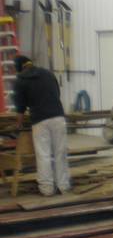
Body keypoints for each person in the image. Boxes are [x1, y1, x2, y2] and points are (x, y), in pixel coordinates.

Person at [13, 56, 71, 196]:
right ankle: (63, 187)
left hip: (39, 121)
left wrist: (18, 124)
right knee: (60, 153)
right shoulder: (48, 74)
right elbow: (57, 93)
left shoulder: (21, 80)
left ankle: (46, 189)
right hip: (58, 116)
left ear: (20, 67)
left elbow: (20, 108)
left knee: (43, 155)